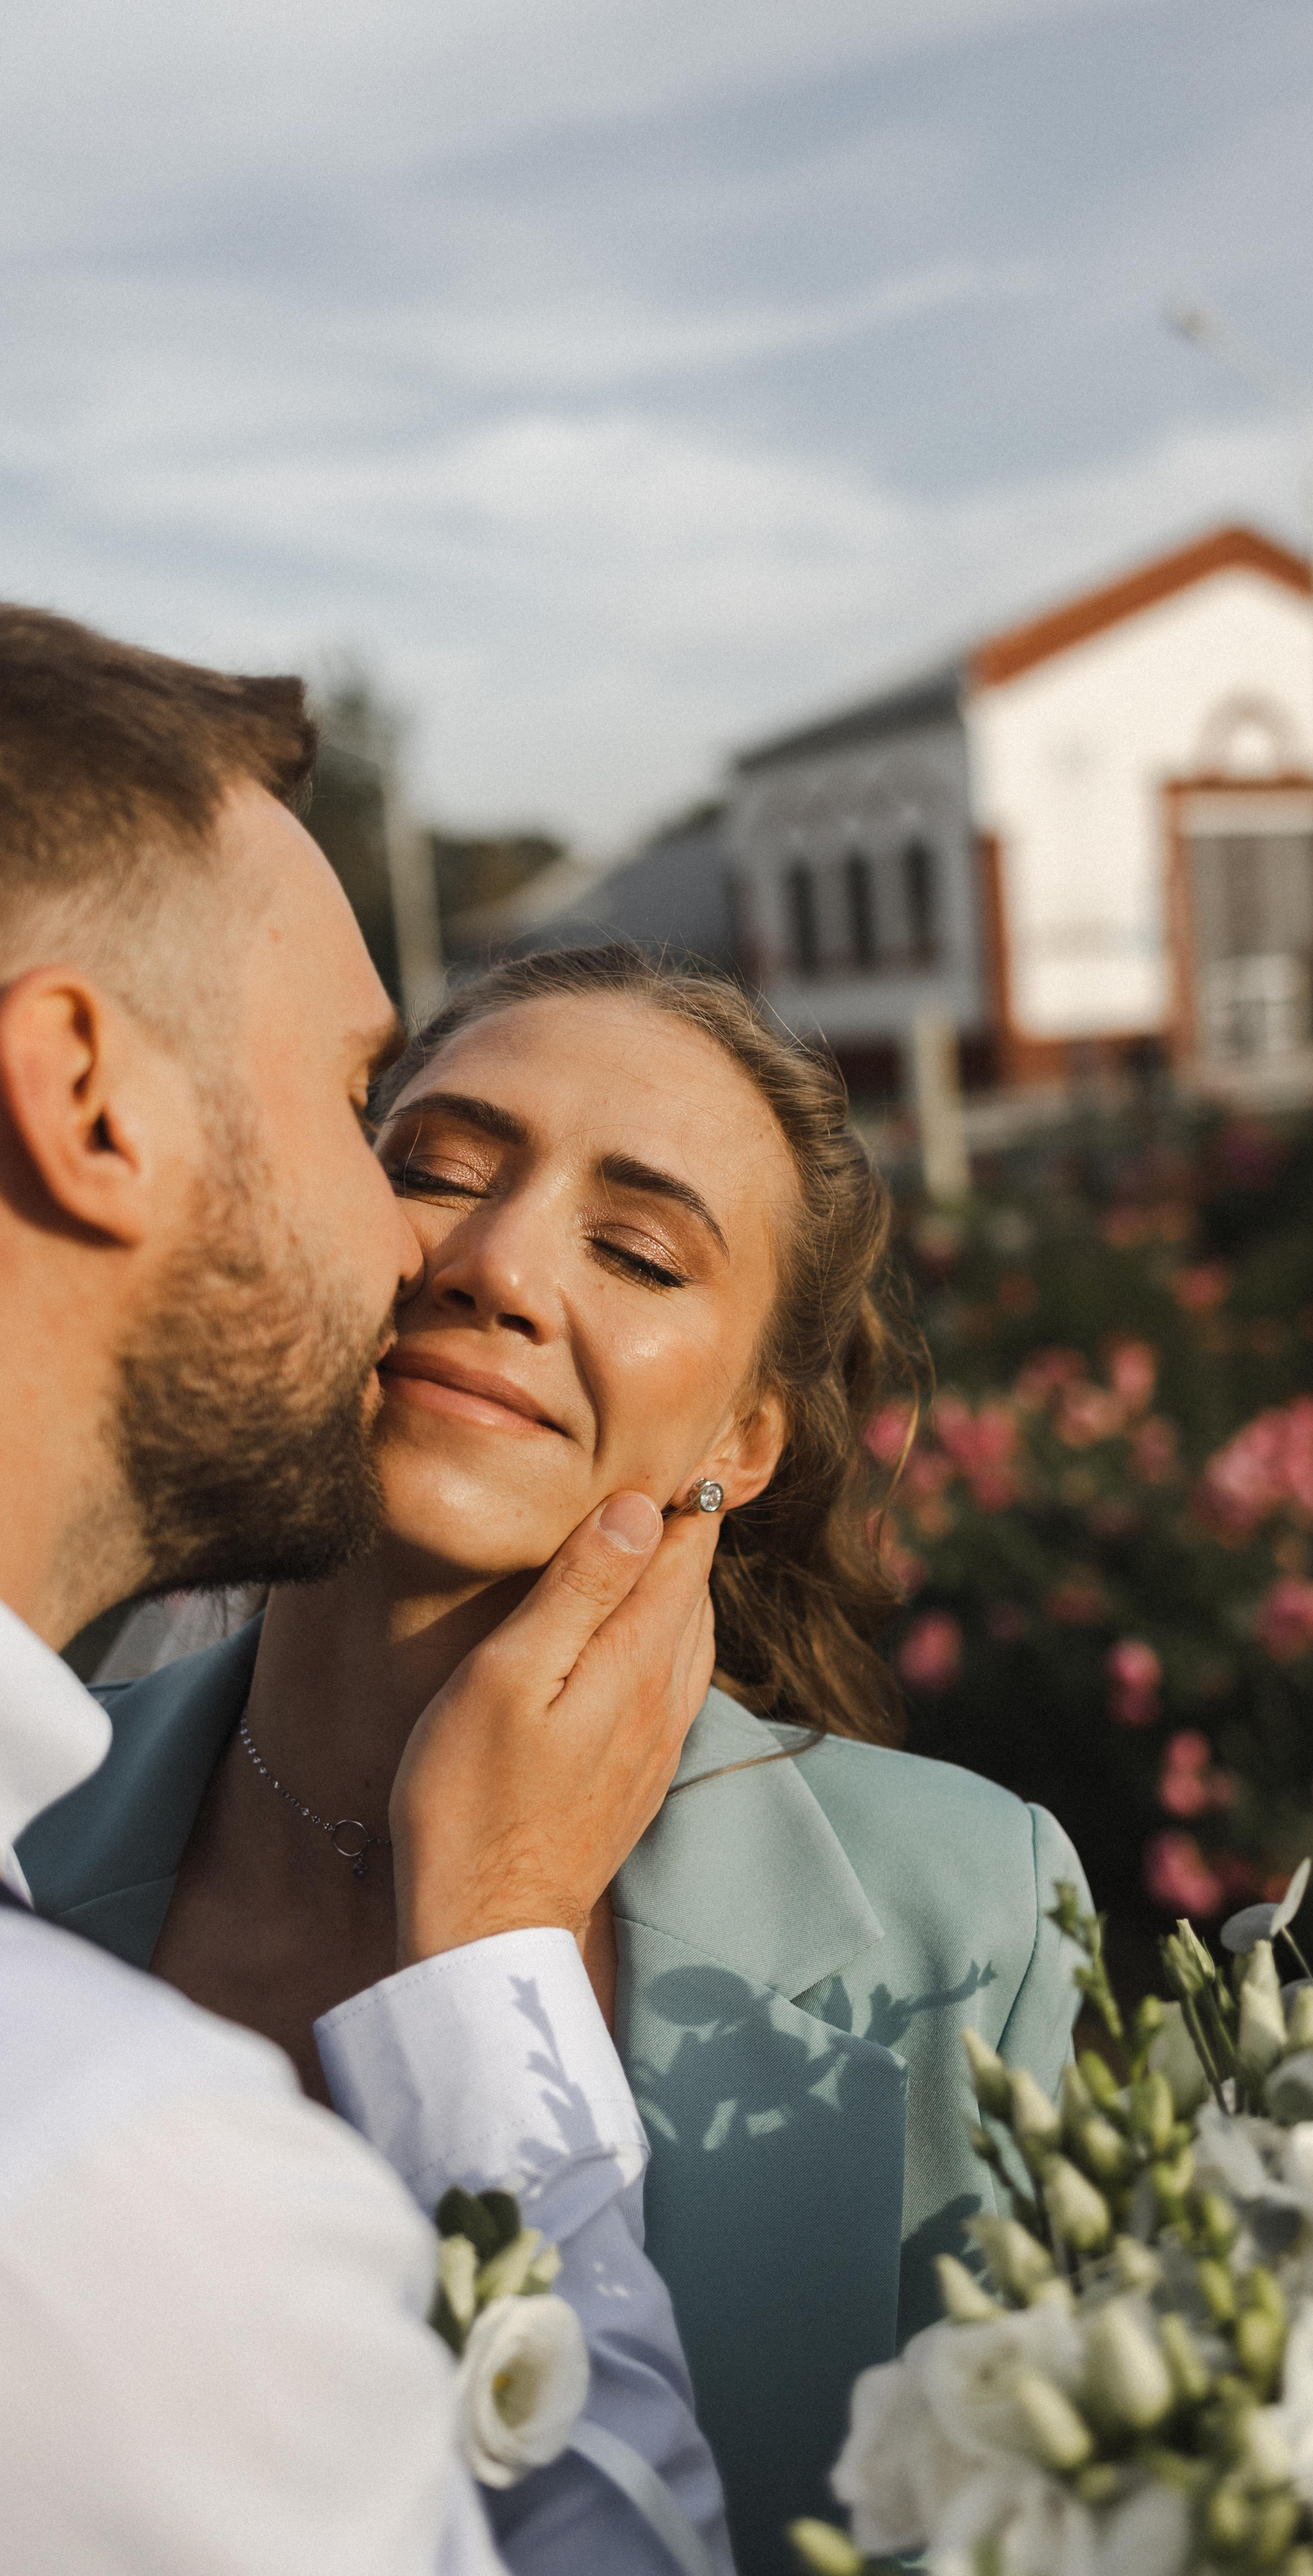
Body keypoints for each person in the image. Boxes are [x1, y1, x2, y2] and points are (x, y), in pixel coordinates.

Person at [23, 944, 1090, 2576]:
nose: (499, 1267)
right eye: (435, 1172)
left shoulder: (965, 1920)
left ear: (741, 1441)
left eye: (640, 1253)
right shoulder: (28, 1848)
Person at [0, 608, 733, 2576]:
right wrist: (493, 1969)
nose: (440, 1263)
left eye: (645, 1248)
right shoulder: (122, 2185)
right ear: (86, 1096)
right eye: (365, 1111)